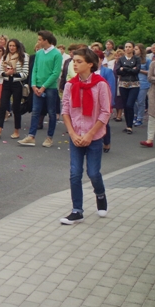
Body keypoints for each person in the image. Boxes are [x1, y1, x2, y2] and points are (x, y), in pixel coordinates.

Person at [59, 48, 111, 225]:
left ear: (90, 64)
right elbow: (65, 110)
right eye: (74, 61)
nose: (74, 64)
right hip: (76, 135)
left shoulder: (100, 84)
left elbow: (105, 112)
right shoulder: (70, 85)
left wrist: (90, 134)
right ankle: (77, 210)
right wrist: (72, 133)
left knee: (93, 173)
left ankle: (100, 195)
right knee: (75, 173)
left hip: (93, 136)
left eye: (79, 61)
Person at [19, 31, 62, 147]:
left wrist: (43, 87)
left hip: (50, 88)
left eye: (39, 39)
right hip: (37, 86)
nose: (38, 41)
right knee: (35, 111)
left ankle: (49, 137)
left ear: (45, 40)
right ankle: (31, 136)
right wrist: (33, 85)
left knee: (51, 112)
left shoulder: (57, 54)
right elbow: (35, 69)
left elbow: (55, 73)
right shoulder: (39, 53)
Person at [0, 39, 29, 139]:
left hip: (17, 83)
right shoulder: (5, 56)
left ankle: (16, 130)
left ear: (17, 47)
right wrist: (5, 74)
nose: (11, 48)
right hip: (6, 82)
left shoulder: (23, 56)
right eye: (10, 46)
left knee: (16, 107)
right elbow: (0, 71)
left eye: (13, 46)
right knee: (3, 105)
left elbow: (25, 73)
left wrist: (14, 73)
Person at [116, 42, 141, 134]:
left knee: (130, 104)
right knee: (125, 105)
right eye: (126, 47)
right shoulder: (121, 59)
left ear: (133, 48)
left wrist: (124, 68)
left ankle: (130, 126)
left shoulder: (137, 59)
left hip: (134, 84)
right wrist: (130, 69)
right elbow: (118, 71)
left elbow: (136, 71)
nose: (128, 48)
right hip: (123, 84)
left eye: (130, 47)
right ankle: (128, 125)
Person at [134, 43, 151, 127]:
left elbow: (150, 72)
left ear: (141, 50)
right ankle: (135, 115)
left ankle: (140, 118)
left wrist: (139, 70)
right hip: (133, 82)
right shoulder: (132, 59)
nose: (134, 50)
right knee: (133, 100)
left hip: (143, 83)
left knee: (141, 101)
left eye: (136, 49)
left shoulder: (147, 60)